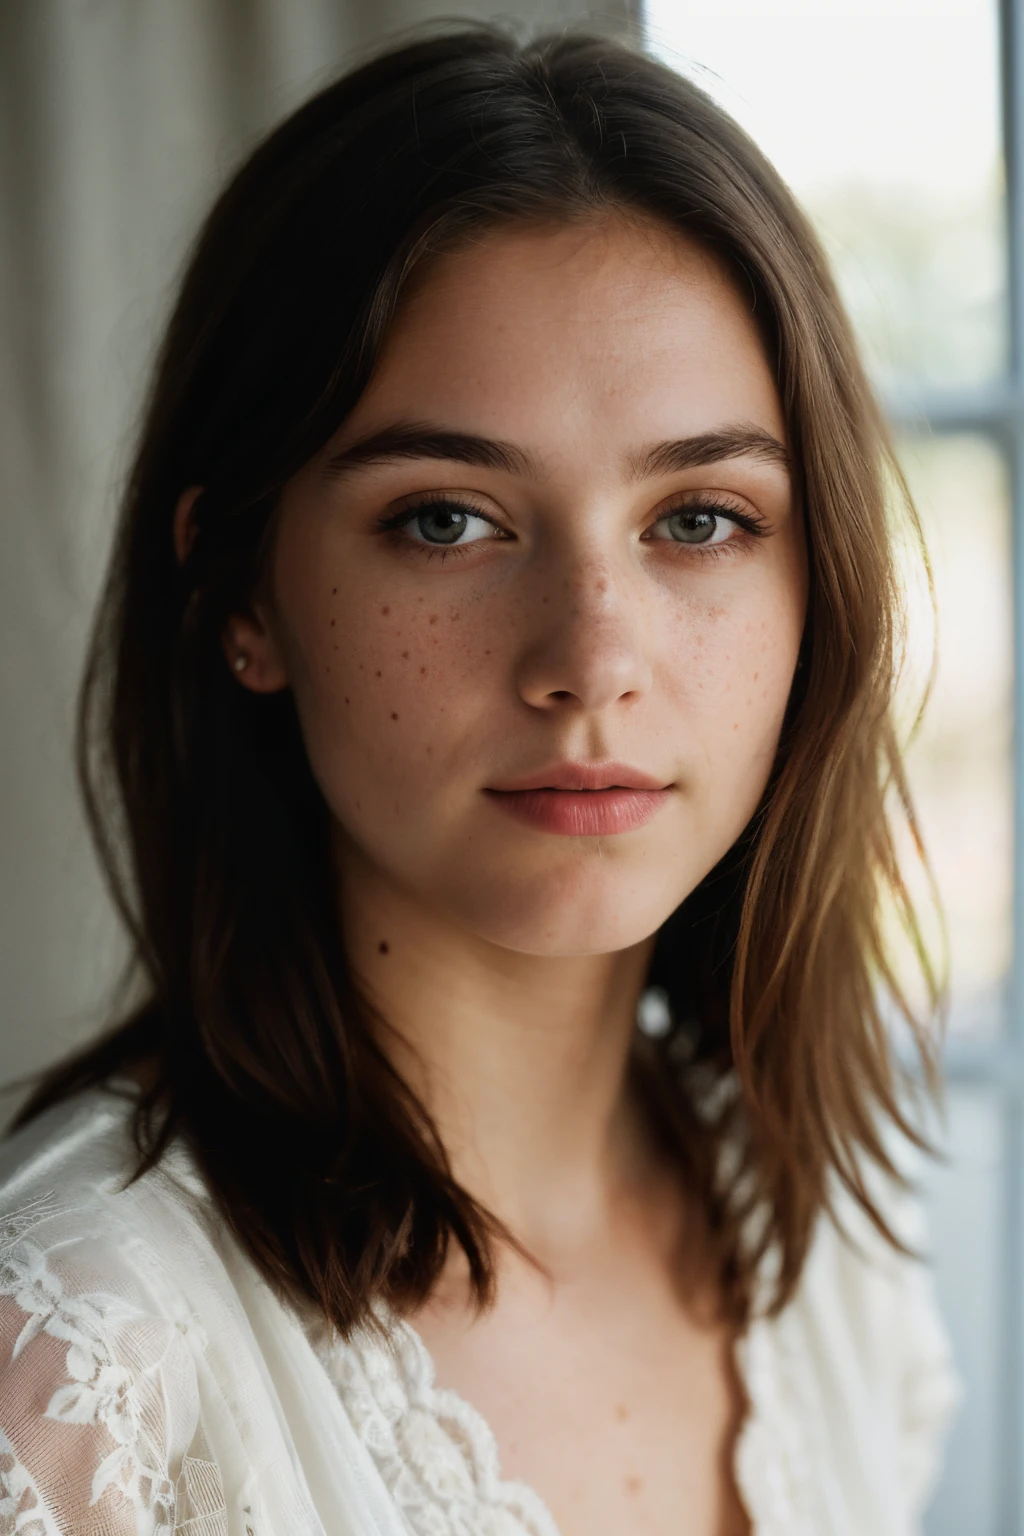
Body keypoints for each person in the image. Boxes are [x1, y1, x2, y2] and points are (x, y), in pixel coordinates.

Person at [0, 25, 959, 1536]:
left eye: (699, 519)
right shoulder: (84, 1383)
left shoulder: (822, 1243)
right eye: (447, 520)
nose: (591, 656)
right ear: (241, 594)